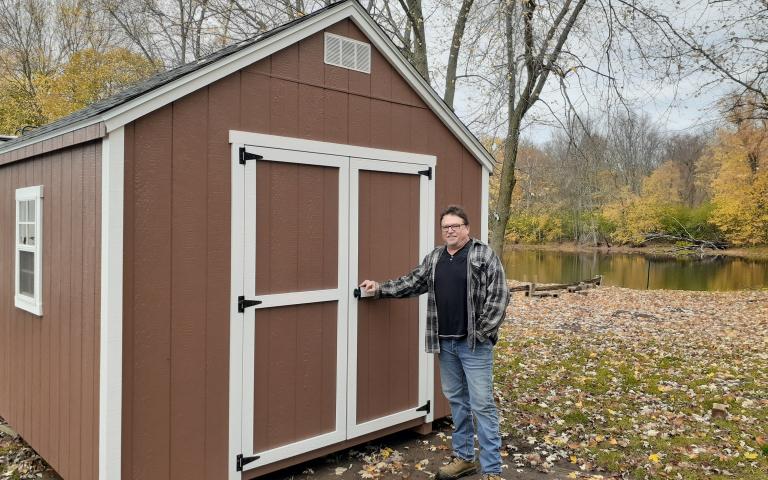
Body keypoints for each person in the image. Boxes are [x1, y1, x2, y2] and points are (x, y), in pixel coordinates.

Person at [359, 205, 510, 480]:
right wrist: (379, 288)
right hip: (445, 344)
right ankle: (465, 459)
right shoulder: (435, 258)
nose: (450, 230)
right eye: (445, 227)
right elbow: (411, 283)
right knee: (457, 402)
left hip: (474, 345)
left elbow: (499, 296)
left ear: (466, 228)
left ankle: (492, 469)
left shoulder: (483, 254)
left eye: (455, 226)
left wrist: (481, 333)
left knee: (482, 405)